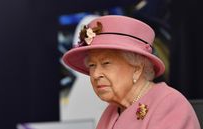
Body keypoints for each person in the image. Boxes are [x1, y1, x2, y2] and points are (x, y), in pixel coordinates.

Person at [62, 15, 201, 129]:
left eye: (106, 63)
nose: (96, 74)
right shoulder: (111, 111)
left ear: (137, 68)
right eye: (92, 65)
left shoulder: (169, 105)